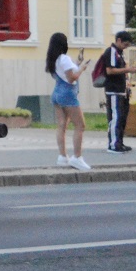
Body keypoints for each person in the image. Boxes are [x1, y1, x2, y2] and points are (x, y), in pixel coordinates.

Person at [45, 31, 92, 171]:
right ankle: (77, 158)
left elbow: (65, 74)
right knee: (80, 125)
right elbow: (72, 78)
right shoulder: (64, 58)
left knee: (61, 125)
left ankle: (62, 156)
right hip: (67, 94)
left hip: (57, 92)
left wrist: (77, 63)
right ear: (64, 44)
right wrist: (82, 68)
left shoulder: (53, 59)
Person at [102, 30, 136, 154]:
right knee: (115, 117)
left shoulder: (119, 53)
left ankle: (119, 142)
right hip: (113, 90)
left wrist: (133, 70)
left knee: (121, 118)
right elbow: (110, 70)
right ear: (118, 40)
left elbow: (121, 70)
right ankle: (113, 145)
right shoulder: (111, 52)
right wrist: (128, 69)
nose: (126, 47)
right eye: (125, 44)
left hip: (121, 90)